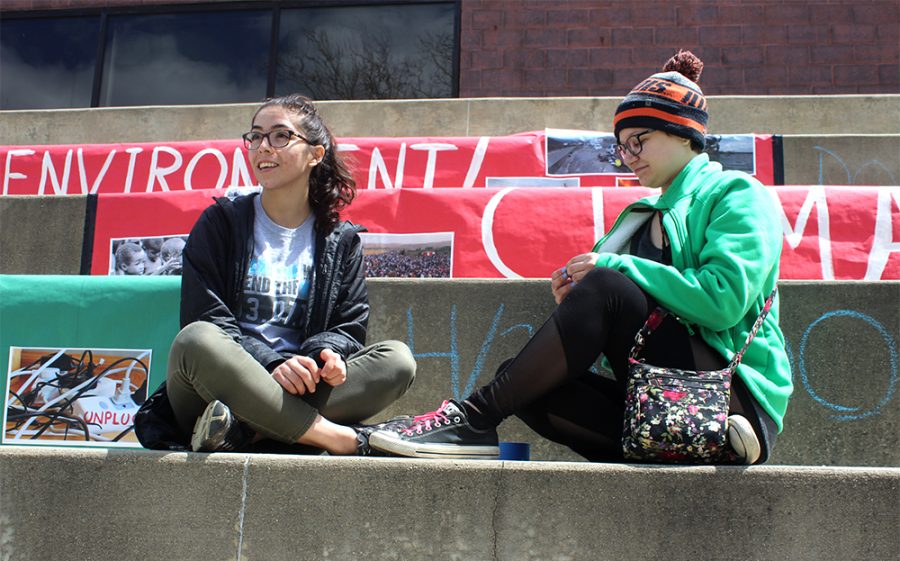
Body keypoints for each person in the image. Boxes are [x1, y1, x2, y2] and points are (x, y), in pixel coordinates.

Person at [368, 50, 792, 465]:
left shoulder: (736, 193)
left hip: (730, 398)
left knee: (606, 285)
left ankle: (472, 419)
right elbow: (632, 337)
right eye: (622, 148)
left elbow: (722, 302)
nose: (629, 157)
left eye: (638, 141)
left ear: (683, 134)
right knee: (526, 381)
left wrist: (612, 273)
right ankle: (690, 447)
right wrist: (579, 305)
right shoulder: (639, 219)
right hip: (659, 400)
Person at [137, 94, 416, 455]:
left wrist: (325, 355)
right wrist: (272, 363)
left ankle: (244, 432)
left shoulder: (340, 240)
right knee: (197, 341)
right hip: (217, 388)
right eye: (255, 137)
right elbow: (207, 317)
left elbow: (348, 328)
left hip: (299, 386)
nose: (263, 148)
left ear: (316, 154)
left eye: (280, 136)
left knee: (397, 361)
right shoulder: (220, 223)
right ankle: (337, 438)